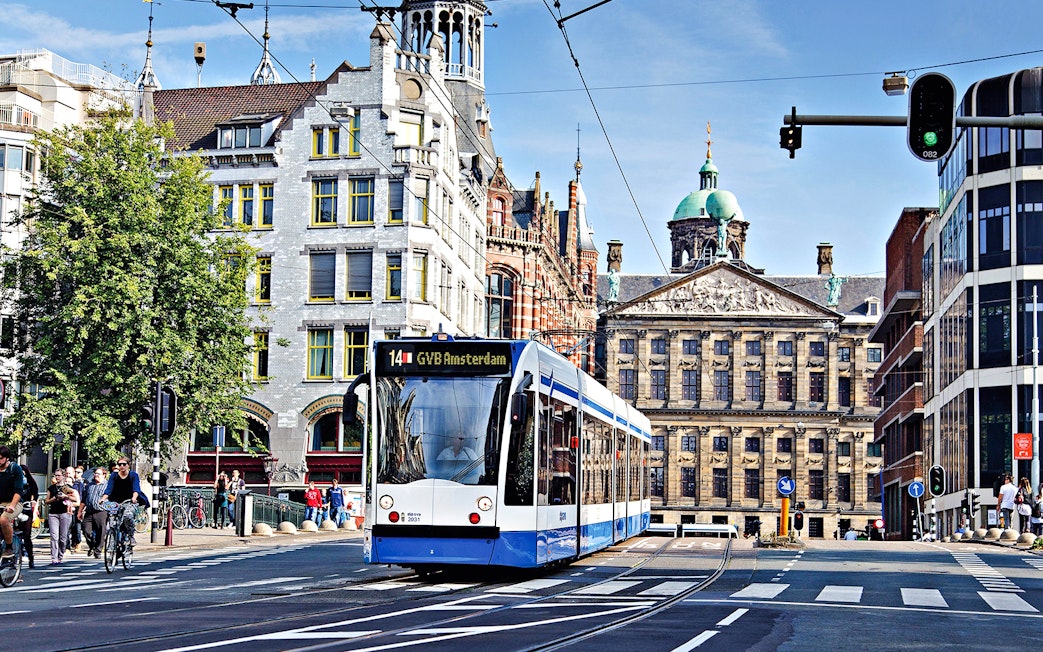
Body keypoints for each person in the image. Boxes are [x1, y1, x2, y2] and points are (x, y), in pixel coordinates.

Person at [100, 456, 147, 547]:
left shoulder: (133, 475)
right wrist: (103, 499)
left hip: (129, 501)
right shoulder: (114, 476)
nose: (122, 466)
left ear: (128, 465)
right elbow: (109, 489)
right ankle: (113, 539)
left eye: (124, 464)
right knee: (112, 520)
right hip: (116, 501)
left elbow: (136, 489)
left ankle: (130, 536)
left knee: (127, 516)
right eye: (119, 464)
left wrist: (134, 498)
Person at [45, 470, 78, 564]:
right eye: (55, 475)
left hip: (65, 513)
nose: (57, 477)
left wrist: (65, 496)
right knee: (54, 536)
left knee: (63, 537)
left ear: (63, 476)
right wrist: (53, 498)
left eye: (59, 475)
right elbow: (46, 501)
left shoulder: (67, 488)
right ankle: (54, 557)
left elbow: (75, 499)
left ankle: (60, 555)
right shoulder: (51, 488)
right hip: (53, 513)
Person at [0, 446, 25, 566]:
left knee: (4, 519)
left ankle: (9, 548)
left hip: (14, 502)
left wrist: (12, 506)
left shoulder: (14, 469)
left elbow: (18, 491)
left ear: (7, 458)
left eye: (0, 458)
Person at [80, 467, 109, 559]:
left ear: (104, 475)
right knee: (85, 529)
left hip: (101, 511)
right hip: (89, 511)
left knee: (101, 531)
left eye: (98, 474)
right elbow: (84, 499)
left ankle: (98, 550)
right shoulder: (90, 485)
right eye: (95, 474)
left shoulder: (108, 486)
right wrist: (80, 511)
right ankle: (92, 545)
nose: (95, 475)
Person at [16, 464, 38, 568]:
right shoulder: (14, 481)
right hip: (15, 509)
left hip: (26, 509)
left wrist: (33, 502)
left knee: (26, 535)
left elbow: (35, 494)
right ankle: (14, 556)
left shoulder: (30, 483)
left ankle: (30, 557)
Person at [68, 465, 85, 552]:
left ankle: (78, 542)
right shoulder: (71, 482)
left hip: (78, 506)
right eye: (76, 472)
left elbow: (82, 495)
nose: (77, 474)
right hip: (69, 506)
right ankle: (71, 543)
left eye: (79, 472)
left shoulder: (81, 483)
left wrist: (82, 507)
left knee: (77, 526)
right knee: (70, 526)